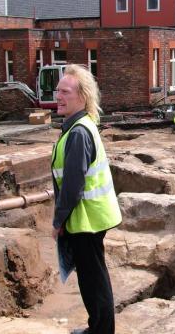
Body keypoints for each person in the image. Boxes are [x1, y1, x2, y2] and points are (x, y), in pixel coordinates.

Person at [51, 64, 122, 334]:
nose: (59, 96)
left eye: (65, 91)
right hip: (91, 217)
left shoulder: (79, 131)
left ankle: (101, 330)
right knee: (94, 277)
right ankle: (99, 327)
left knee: (93, 280)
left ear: (82, 96)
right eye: (58, 90)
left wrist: (58, 221)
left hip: (87, 219)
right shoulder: (79, 126)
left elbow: (72, 184)